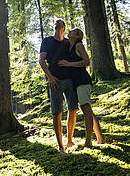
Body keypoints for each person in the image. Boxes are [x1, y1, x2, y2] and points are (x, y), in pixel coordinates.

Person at [58, 27, 104, 147]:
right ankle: (100, 138)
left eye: (73, 31)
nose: (70, 31)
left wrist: (69, 64)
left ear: (77, 36)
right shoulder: (68, 46)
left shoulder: (79, 45)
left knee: (86, 109)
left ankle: (88, 142)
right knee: (87, 110)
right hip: (76, 83)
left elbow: (87, 61)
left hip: (82, 81)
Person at [39, 19, 77, 154]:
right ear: (54, 27)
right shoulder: (47, 41)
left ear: (64, 28)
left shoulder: (68, 42)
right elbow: (41, 60)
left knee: (72, 109)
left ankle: (70, 141)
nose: (58, 23)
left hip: (69, 80)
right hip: (55, 81)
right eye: (57, 22)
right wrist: (49, 77)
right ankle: (60, 146)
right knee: (57, 113)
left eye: (61, 22)